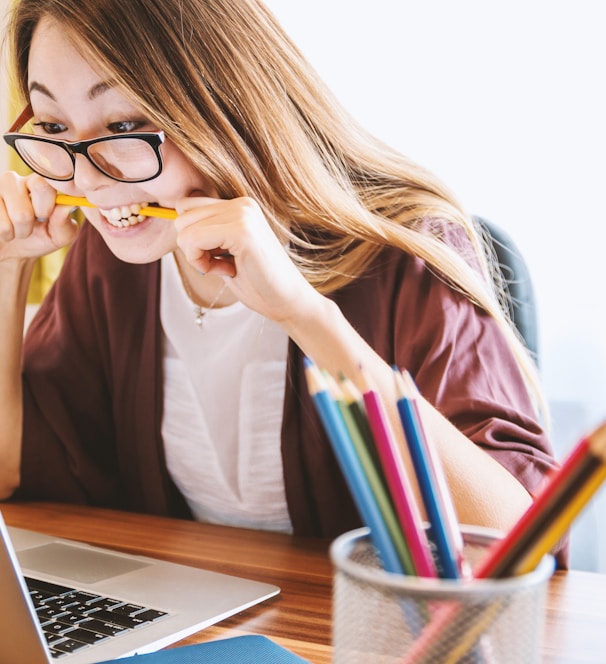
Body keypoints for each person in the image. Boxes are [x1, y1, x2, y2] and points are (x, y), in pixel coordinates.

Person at [0, 0, 566, 564]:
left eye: (124, 125)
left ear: (225, 103)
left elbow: (519, 544)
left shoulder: (404, 253)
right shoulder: (111, 259)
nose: (86, 178)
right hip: (198, 629)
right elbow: (9, 469)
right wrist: (8, 266)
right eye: (53, 127)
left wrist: (305, 314)